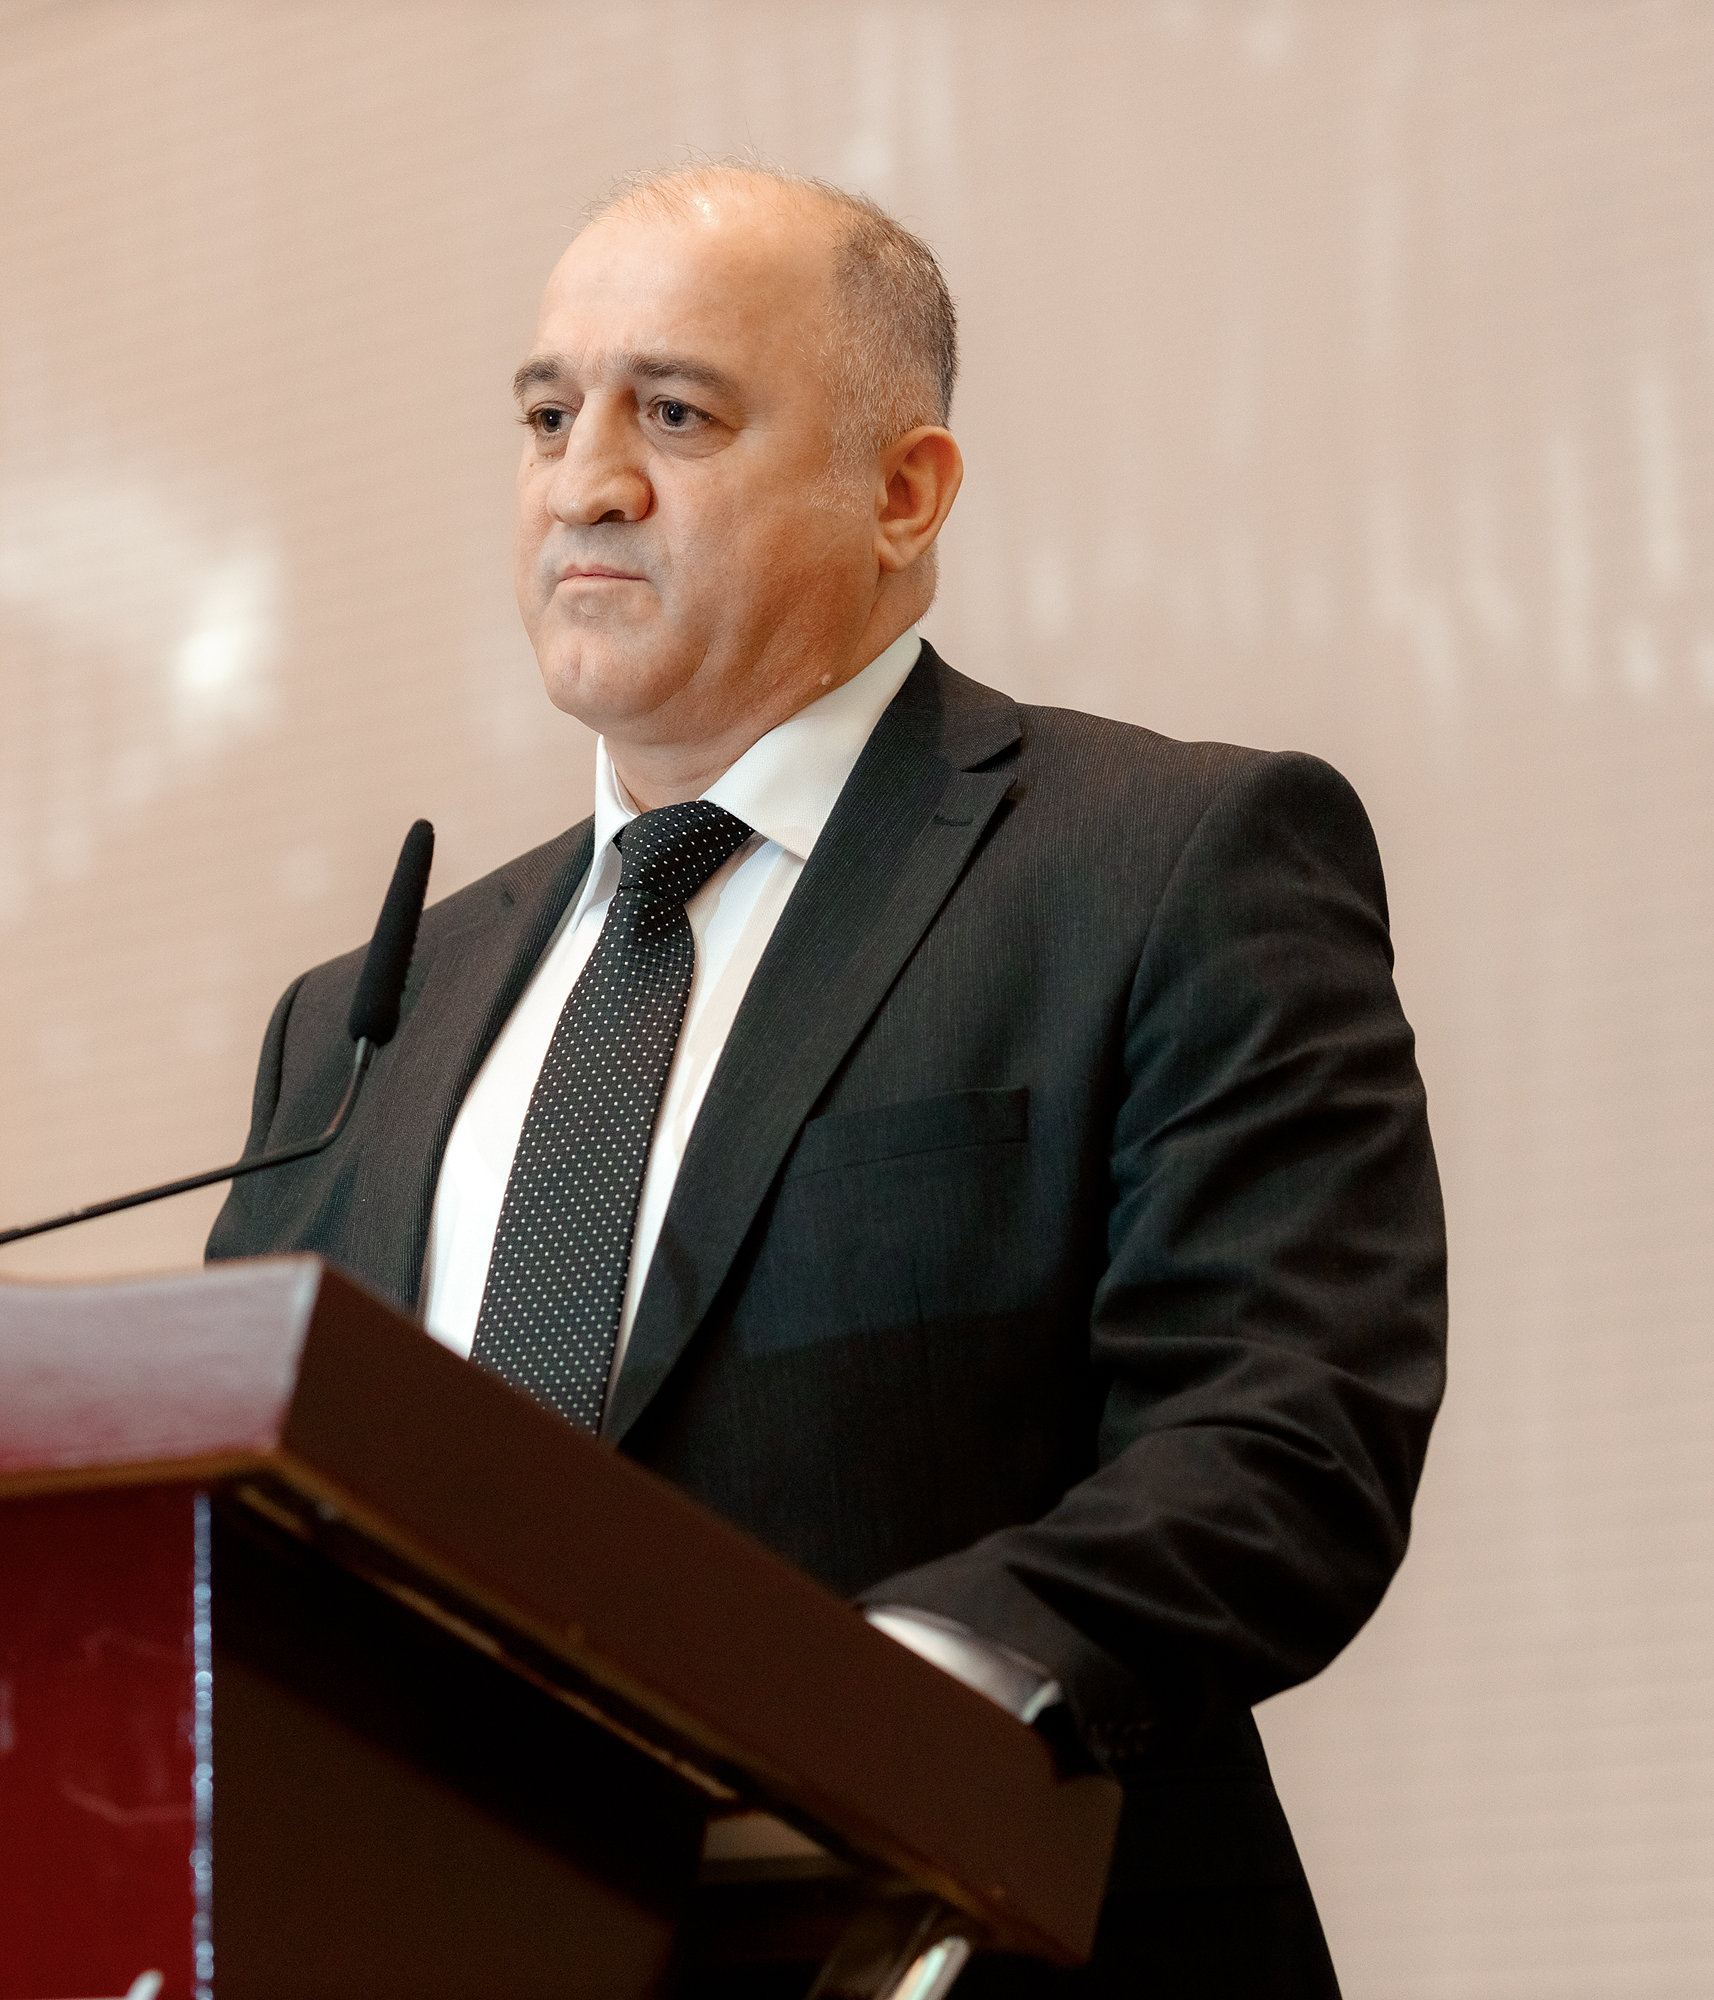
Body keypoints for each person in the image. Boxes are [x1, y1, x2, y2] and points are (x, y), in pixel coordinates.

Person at [203, 165, 1447, 1995]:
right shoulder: (359, 1021)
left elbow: (1281, 1437)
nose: (583, 483)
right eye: (548, 416)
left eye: (675, 415)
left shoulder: (1164, 866)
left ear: (904, 493)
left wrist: (879, 1723)